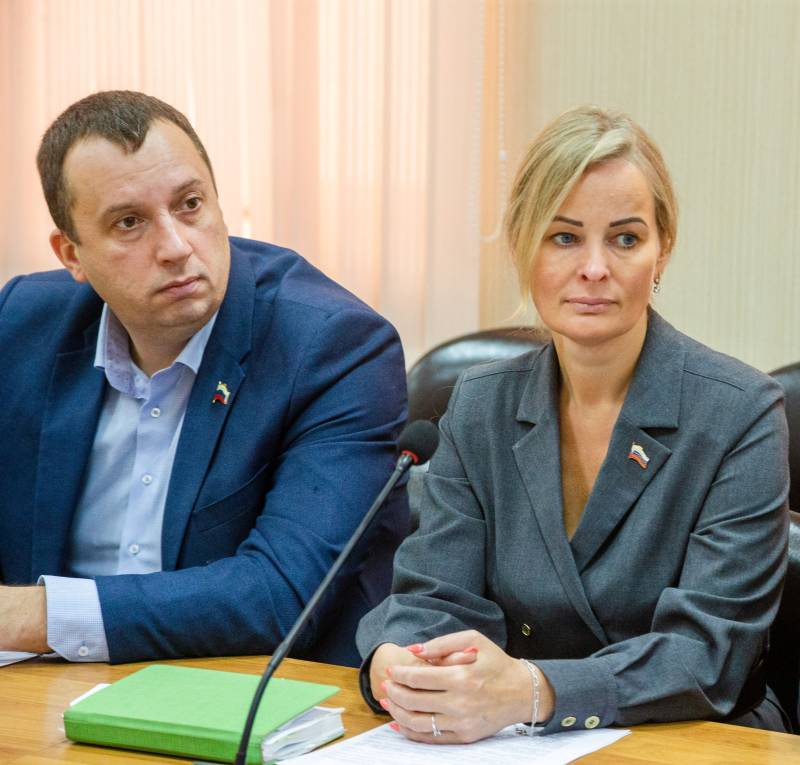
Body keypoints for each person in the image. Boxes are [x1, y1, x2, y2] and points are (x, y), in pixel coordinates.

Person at [356, 105, 790, 739]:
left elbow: (708, 651)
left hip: (693, 734)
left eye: (625, 239)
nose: (594, 268)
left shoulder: (740, 412)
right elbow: (433, 596)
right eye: (564, 237)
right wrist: (400, 660)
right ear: (522, 247)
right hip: (509, 739)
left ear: (663, 250)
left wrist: (537, 691)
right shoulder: (480, 405)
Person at [0, 90, 408, 668]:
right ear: (71, 254)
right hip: (40, 691)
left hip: (249, 690)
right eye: (129, 222)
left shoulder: (334, 346)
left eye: (189, 205)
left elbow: (281, 594)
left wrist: (32, 616)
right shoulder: (21, 324)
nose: (175, 247)